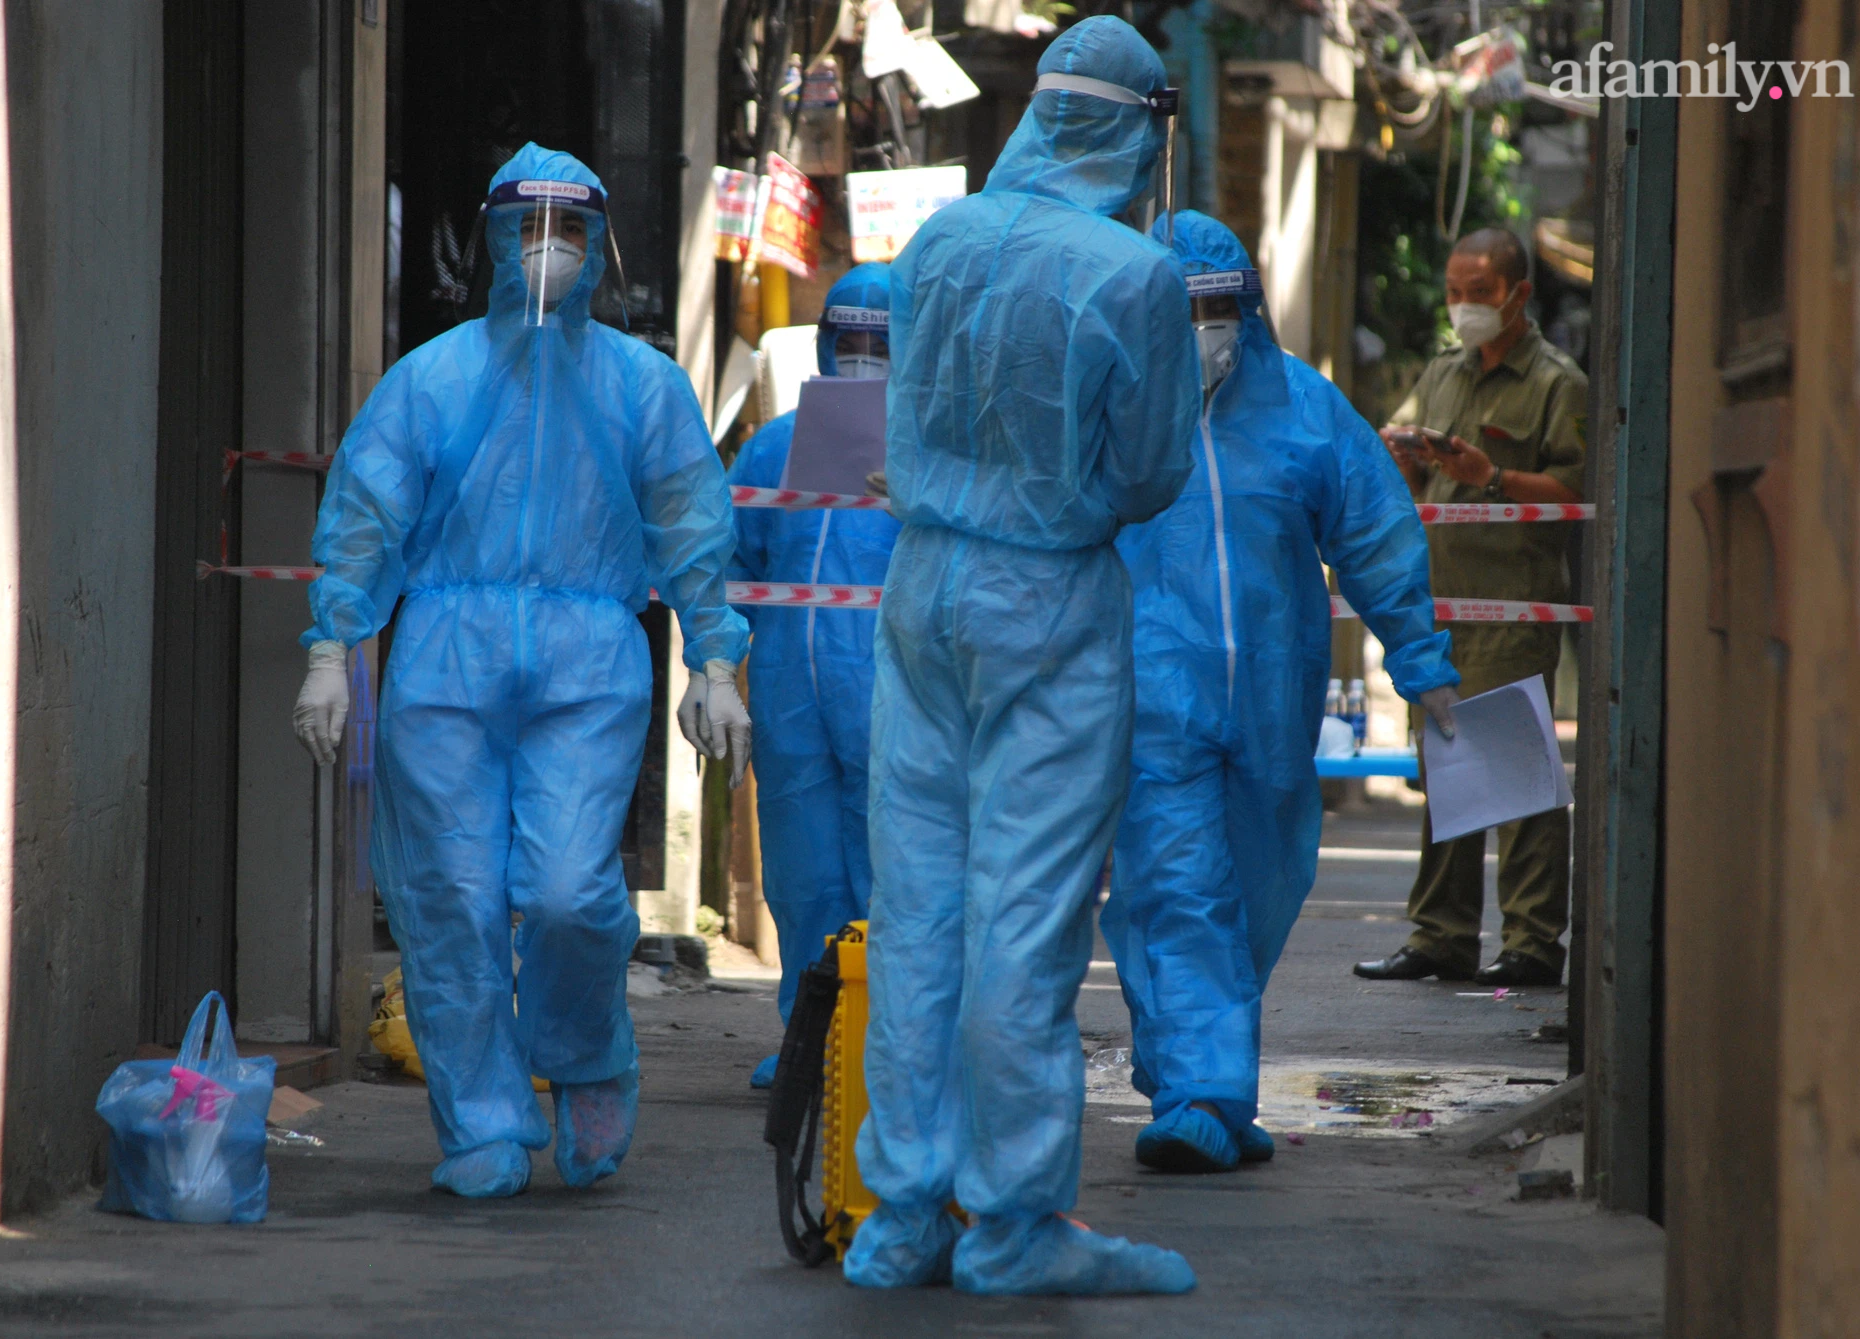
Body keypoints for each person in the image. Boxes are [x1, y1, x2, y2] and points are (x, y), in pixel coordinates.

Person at [290, 144, 752, 1198]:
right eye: (530, 228)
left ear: (598, 246)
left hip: (590, 665)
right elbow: (365, 513)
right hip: (444, 661)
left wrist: (714, 658)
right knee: (450, 897)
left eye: (570, 230)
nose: (550, 249)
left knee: (568, 893)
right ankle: (482, 1124)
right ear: (496, 239)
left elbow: (689, 523)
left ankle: (586, 1058)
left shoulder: (642, 385)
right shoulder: (433, 377)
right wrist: (330, 646)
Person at [845, 17, 1201, 1297]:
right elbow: (1149, 472)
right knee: (1023, 917)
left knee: (917, 910)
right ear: (1138, 131)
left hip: (921, 588)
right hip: (1046, 597)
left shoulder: (936, 242)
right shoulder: (1136, 276)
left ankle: (903, 1212)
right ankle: (1013, 1223)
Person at [1104, 211, 1460, 1175]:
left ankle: (1198, 1069)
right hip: (1153, 700)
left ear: (1249, 307)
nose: (1203, 330)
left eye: (1217, 308)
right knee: (1178, 885)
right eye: (1182, 311)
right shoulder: (1117, 404)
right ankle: (1203, 1092)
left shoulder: (1305, 409)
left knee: (1255, 894)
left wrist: (1421, 661)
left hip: (1272, 703)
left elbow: (1376, 533)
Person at [1354, 226, 1587, 989]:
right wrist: (1402, 456)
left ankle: (1532, 940)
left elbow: (1577, 491)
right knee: (1446, 772)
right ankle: (1442, 934)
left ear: (1519, 294)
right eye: (1455, 292)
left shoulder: (1557, 382)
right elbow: (1412, 472)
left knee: (1520, 778)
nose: (1464, 306)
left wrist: (1493, 476)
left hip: (1513, 605)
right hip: (1444, 607)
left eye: (1479, 293)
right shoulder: (1442, 372)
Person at [727, 264, 900, 1089]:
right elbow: (729, 563)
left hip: (895, 698)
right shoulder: (773, 448)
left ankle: (889, 1040)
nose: (862, 357)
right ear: (826, 342)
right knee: (802, 874)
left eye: (881, 344)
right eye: (850, 339)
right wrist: (713, 666)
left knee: (892, 868)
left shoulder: (929, 455)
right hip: (790, 702)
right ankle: (814, 1036)